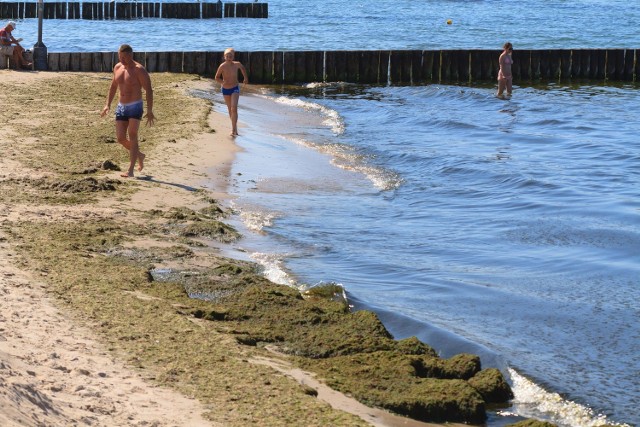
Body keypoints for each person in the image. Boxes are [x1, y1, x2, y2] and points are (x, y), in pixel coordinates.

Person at [100, 44, 155, 178]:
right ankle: (139, 155)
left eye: (124, 57)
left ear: (131, 55)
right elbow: (113, 87)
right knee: (120, 138)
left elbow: (149, 90)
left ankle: (130, 170)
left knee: (132, 134)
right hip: (122, 106)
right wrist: (107, 105)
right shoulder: (118, 67)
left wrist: (150, 110)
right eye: (120, 56)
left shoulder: (139, 70)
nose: (122, 59)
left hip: (135, 105)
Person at [214, 48, 248, 136]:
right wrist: (222, 82)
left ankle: (233, 130)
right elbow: (217, 77)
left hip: (235, 88)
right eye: (227, 56)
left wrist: (245, 78)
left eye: (231, 56)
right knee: (230, 109)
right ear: (224, 57)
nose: (229, 57)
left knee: (234, 108)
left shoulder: (237, 64)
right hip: (225, 89)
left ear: (233, 57)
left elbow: (243, 68)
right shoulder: (222, 66)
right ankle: (234, 127)